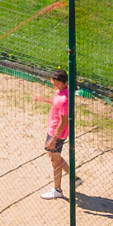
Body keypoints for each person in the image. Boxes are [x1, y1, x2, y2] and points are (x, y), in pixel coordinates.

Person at [41, 69, 71, 199]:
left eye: (55, 82)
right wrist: (44, 99)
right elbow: (56, 105)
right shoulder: (63, 91)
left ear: (62, 82)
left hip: (56, 134)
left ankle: (57, 190)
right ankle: (74, 176)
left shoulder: (64, 99)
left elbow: (63, 121)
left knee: (55, 161)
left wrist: (53, 139)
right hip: (55, 131)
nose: (53, 84)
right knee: (54, 157)